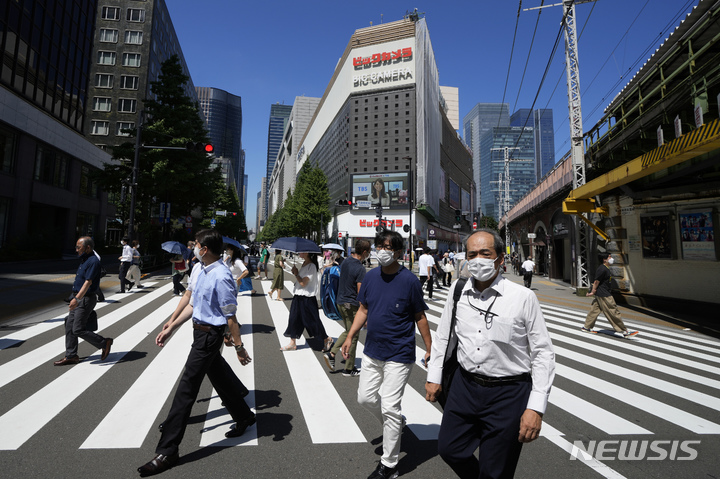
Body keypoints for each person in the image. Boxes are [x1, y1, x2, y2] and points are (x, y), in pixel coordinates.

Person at [425, 229, 556, 479]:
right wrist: (435, 376)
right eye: (472, 254)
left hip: (508, 393)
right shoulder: (458, 290)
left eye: (485, 253)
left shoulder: (523, 297)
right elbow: (444, 337)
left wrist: (536, 408)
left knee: (495, 470)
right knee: (450, 449)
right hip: (465, 387)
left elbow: (542, 353)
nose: (478, 260)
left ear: (500, 259)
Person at [138, 229, 254, 477]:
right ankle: (244, 416)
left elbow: (230, 316)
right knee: (219, 376)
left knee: (187, 388)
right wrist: (171, 324)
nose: (193, 247)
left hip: (210, 335)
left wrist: (239, 347)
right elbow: (191, 303)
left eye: (197, 244)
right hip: (198, 331)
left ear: (206, 249)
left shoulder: (221, 276)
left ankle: (168, 451)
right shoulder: (200, 268)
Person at [341, 231, 432, 479]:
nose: (383, 250)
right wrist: (350, 336)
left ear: (399, 252)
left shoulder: (410, 281)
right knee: (365, 398)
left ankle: (389, 465)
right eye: (379, 245)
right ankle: (396, 420)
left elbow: (420, 317)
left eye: (388, 247)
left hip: (399, 353)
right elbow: (363, 309)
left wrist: (429, 347)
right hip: (373, 350)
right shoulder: (370, 277)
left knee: (390, 406)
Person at [53, 236, 113, 366]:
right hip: (79, 297)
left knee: (78, 329)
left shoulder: (93, 261)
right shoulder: (84, 259)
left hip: (85, 299)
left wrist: (76, 299)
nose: (76, 250)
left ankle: (104, 342)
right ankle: (71, 355)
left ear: (88, 247)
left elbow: (88, 282)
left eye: (78, 247)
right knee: (69, 325)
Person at [324, 239, 370, 377]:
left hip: (340, 301)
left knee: (349, 331)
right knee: (353, 334)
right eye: (368, 253)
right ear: (364, 252)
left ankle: (333, 354)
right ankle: (347, 368)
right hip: (351, 305)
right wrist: (365, 312)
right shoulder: (360, 268)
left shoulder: (346, 261)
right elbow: (360, 292)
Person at [280, 251, 334, 352]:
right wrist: (295, 272)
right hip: (298, 296)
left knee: (312, 321)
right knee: (294, 318)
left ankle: (327, 339)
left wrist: (296, 274)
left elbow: (303, 283)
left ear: (308, 253)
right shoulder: (304, 264)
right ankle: (292, 343)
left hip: (307, 298)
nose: (299, 253)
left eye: (302, 252)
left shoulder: (312, 266)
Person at [583, 252, 638, 338]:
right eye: (609, 257)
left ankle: (587, 327)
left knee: (594, 310)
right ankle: (624, 331)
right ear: (604, 259)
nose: (611, 258)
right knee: (613, 311)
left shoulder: (605, 268)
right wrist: (593, 291)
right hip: (604, 294)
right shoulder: (602, 269)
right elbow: (596, 281)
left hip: (601, 294)